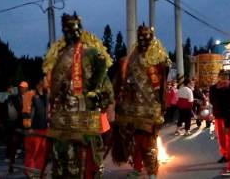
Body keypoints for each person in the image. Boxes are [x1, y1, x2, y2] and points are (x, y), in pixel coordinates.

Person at [42, 12, 113, 179]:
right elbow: (52, 89)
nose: (70, 34)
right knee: (61, 159)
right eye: (66, 30)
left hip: (84, 115)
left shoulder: (90, 53)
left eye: (72, 30)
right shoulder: (58, 56)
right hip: (62, 117)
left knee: (87, 160)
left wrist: (95, 92)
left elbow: (104, 79)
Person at [111, 24, 170, 179]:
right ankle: (137, 167)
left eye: (147, 36)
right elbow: (117, 83)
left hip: (150, 111)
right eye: (141, 37)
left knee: (148, 144)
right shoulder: (128, 60)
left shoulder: (157, 61)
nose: (144, 40)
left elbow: (162, 86)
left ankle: (151, 172)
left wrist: (162, 107)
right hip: (129, 110)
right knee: (134, 142)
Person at [24, 76, 49, 178]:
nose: (47, 82)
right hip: (33, 129)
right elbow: (26, 111)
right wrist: (28, 128)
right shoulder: (30, 94)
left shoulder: (46, 95)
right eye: (45, 80)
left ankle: (39, 171)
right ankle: (30, 172)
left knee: (42, 152)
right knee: (32, 152)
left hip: (44, 128)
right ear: (40, 82)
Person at [7, 81, 33, 173]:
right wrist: (9, 93)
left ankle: (28, 167)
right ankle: (11, 165)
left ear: (27, 88)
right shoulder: (15, 97)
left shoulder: (31, 97)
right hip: (18, 126)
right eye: (20, 87)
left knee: (28, 147)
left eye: (23, 87)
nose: (22, 89)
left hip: (28, 126)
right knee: (14, 146)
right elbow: (9, 99)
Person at [209, 70, 230, 163]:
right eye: (223, 77)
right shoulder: (213, 88)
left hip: (229, 116)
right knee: (221, 138)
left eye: (226, 77)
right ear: (219, 77)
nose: (225, 79)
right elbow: (212, 101)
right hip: (218, 115)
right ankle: (225, 155)